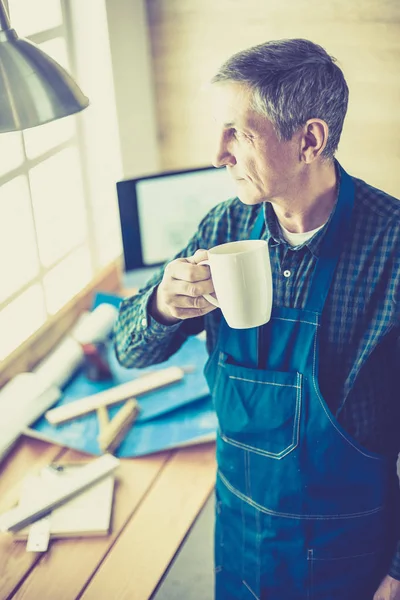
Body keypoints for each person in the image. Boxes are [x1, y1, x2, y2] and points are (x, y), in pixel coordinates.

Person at [114, 38, 400, 599]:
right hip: (242, 542)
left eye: (238, 134)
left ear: (309, 140)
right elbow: (129, 352)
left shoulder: (390, 248)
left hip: (353, 560)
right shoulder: (223, 227)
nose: (217, 153)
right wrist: (162, 305)